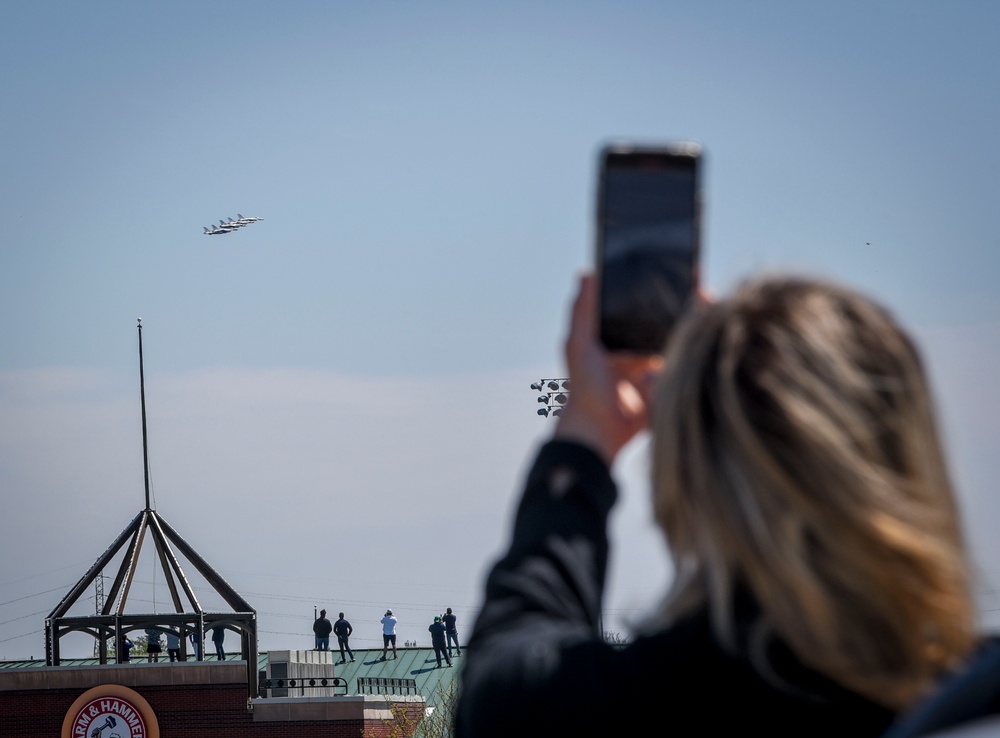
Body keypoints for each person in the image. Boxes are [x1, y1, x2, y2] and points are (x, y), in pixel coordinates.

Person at [456, 275, 976, 737]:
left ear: (685, 480)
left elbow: (501, 682)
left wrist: (584, 438)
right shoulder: (970, 700)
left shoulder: (627, 706)